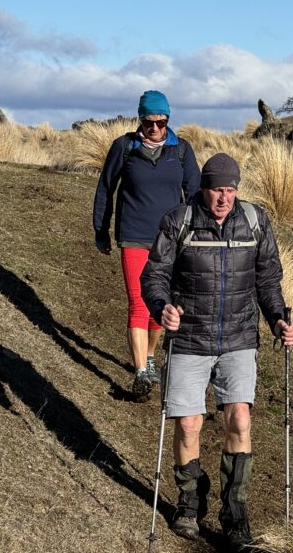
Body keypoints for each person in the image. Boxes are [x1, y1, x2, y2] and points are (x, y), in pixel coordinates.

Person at [141, 153, 293, 549]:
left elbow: (268, 281)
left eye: (230, 190)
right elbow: (154, 275)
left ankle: (235, 512)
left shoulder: (256, 222)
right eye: (216, 190)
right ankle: (189, 501)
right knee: (189, 424)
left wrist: (278, 318)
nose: (223, 198)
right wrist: (163, 308)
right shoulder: (179, 222)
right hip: (190, 339)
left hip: (239, 338)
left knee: (240, 421)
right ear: (203, 189)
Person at [92, 90, 200, 403]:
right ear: (140, 119)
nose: (154, 128)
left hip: (170, 240)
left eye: (161, 121)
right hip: (133, 236)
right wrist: (101, 230)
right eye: (148, 122)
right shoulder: (124, 147)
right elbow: (105, 189)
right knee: (138, 302)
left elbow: (193, 194)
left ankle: (150, 355)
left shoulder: (181, 150)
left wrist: (197, 236)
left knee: (160, 305)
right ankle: (141, 372)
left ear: (168, 119)